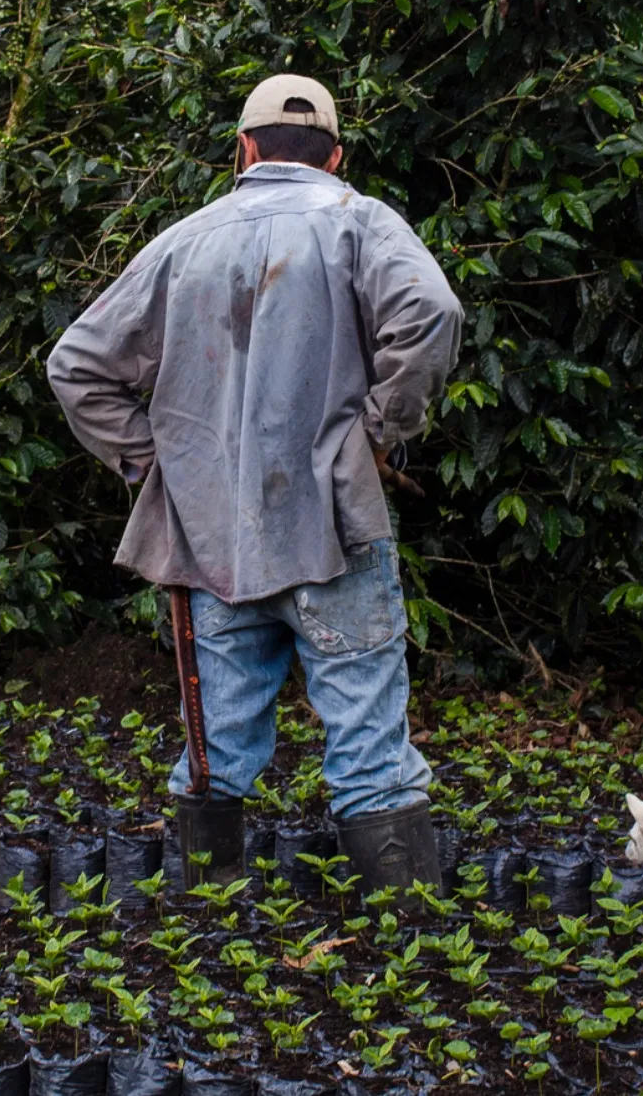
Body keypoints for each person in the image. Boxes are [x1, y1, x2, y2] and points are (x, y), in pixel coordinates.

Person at [46, 74, 464, 893]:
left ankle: (200, 952)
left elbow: (77, 366)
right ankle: (406, 965)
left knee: (215, 755)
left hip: (212, 547)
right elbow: (433, 313)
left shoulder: (184, 240)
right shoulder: (358, 222)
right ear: (336, 156)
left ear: (243, 150)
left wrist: (157, 468)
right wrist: (381, 432)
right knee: (372, 757)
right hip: (333, 533)